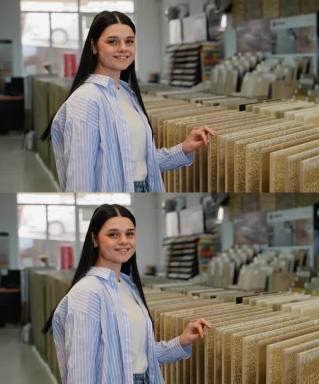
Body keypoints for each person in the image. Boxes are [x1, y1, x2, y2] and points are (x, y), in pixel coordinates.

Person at [41, 11, 216, 192]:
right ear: (94, 46)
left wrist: (184, 148)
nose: (123, 48)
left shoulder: (126, 93)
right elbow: (79, 178)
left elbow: (138, 162)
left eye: (129, 41)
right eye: (112, 41)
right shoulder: (86, 100)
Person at [42, 204, 212, 384]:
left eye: (129, 233)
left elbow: (138, 355)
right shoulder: (87, 293)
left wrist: (182, 341)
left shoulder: (127, 285)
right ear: (94, 239)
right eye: (113, 234)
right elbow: (81, 372)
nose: (124, 241)